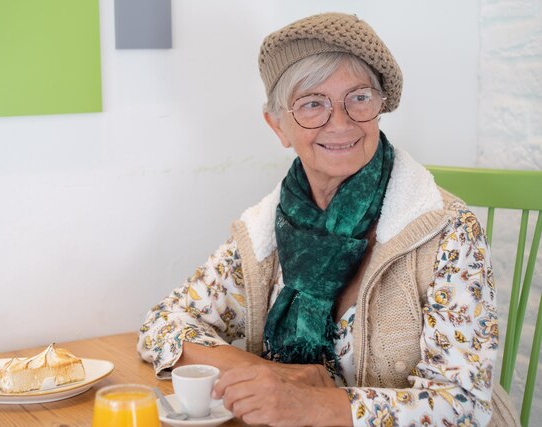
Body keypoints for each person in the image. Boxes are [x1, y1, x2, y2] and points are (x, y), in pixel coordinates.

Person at [137, 12, 519, 427]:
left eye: (358, 97)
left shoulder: (446, 231)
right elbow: (163, 323)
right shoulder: (267, 232)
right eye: (312, 104)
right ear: (278, 126)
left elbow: (462, 406)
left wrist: (310, 405)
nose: (340, 122)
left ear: (380, 106)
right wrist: (271, 374)